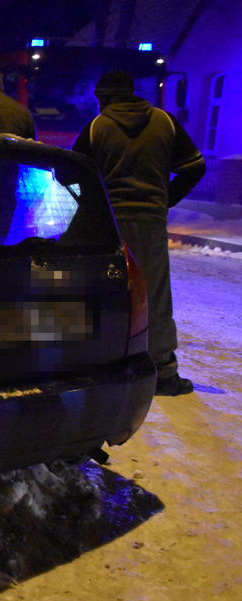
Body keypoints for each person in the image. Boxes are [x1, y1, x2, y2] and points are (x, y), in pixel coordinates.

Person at [72, 70, 206, 396]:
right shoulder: (165, 122)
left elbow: (70, 172)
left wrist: (94, 203)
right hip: (151, 220)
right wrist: (166, 197)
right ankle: (164, 371)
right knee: (155, 294)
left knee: (105, 292)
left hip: (112, 225)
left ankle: (104, 366)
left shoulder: (97, 127)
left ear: (103, 96)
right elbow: (195, 166)